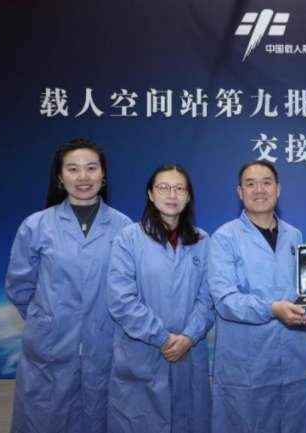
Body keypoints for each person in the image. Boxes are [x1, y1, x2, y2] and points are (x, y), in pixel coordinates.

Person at [5, 138, 131, 433]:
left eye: (91, 168)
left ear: (103, 174)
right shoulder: (36, 225)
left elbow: (131, 289)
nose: (83, 177)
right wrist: (48, 320)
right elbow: (20, 287)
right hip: (51, 343)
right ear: (60, 177)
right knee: (46, 418)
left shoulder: (125, 227)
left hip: (105, 341)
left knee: (101, 416)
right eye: (73, 169)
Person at [106, 164, 214, 433]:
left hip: (189, 352)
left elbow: (208, 297)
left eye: (179, 188)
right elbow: (122, 300)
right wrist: (163, 338)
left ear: (188, 196)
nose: (172, 194)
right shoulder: (128, 238)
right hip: (143, 354)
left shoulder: (202, 240)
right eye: (163, 187)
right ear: (150, 195)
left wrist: (188, 337)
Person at [208, 160, 306, 433]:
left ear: (278, 189)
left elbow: (303, 290)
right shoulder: (224, 238)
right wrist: (272, 308)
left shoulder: (294, 235)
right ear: (239, 192)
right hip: (245, 361)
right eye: (250, 184)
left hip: (291, 355)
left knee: (291, 422)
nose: (259, 190)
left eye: (266, 182)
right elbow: (225, 300)